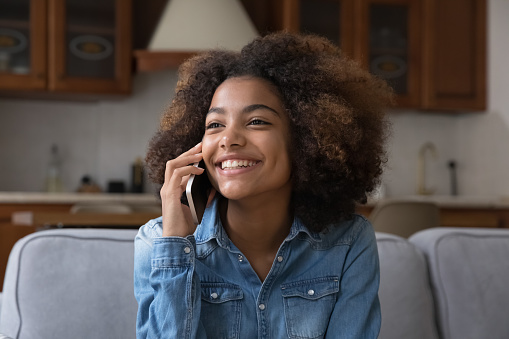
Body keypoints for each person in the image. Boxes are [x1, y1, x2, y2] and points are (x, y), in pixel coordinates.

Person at [134, 32, 393, 338]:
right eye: (215, 125)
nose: (229, 139)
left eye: (257, 121)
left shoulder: (349, 243)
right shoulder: (157, 243)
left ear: (307, 139)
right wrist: (176, 248)